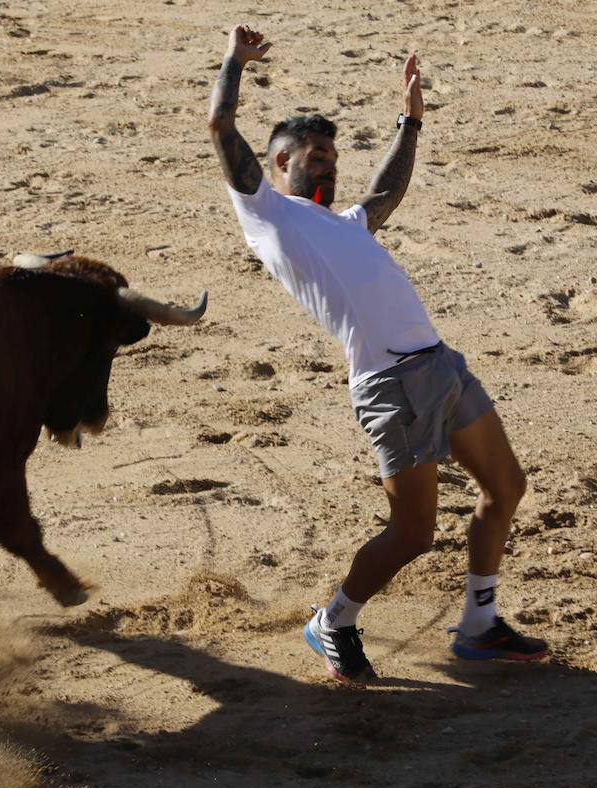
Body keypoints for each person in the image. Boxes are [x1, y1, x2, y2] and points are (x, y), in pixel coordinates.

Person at [207, 25, 548, 685]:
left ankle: (478, 624)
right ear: (278, 164)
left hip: (440, 366)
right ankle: (333, 620)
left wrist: (409, 123)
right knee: (414, 534)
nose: (328, 163)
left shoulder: (342, 224)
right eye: (313, 154)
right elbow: (220, 122)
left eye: (333, 154)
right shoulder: (266, 213)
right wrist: (233, 62)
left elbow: (385, 192)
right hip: (390, 386)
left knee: (505, 487)